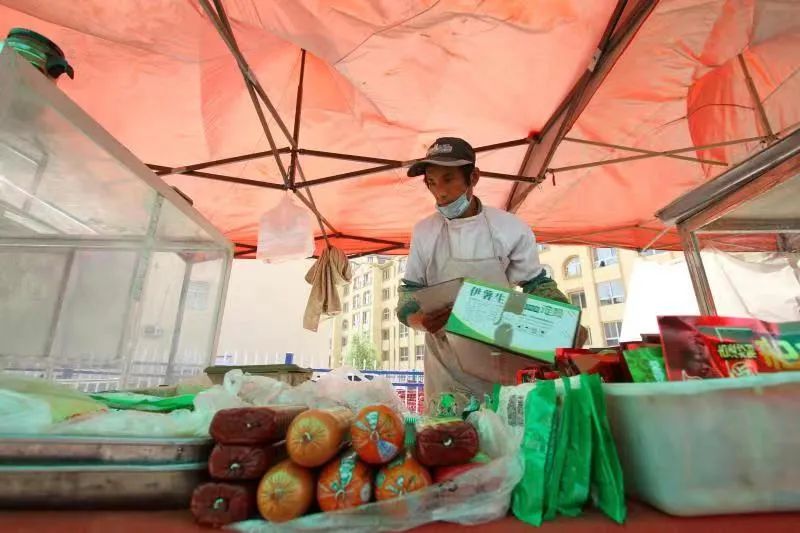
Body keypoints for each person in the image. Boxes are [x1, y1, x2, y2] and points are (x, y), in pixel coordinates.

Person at [396, 137, 584, 409]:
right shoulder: (424, 232)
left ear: (473, 176)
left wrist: (565, 322)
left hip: (499, 356)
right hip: (445, 360)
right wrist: (418, 319)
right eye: (432, 183)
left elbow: (536, 283)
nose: (441, 193)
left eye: (448, 179)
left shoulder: (509, 228)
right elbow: (408, 293)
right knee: (447, 436)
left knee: (499, 432)